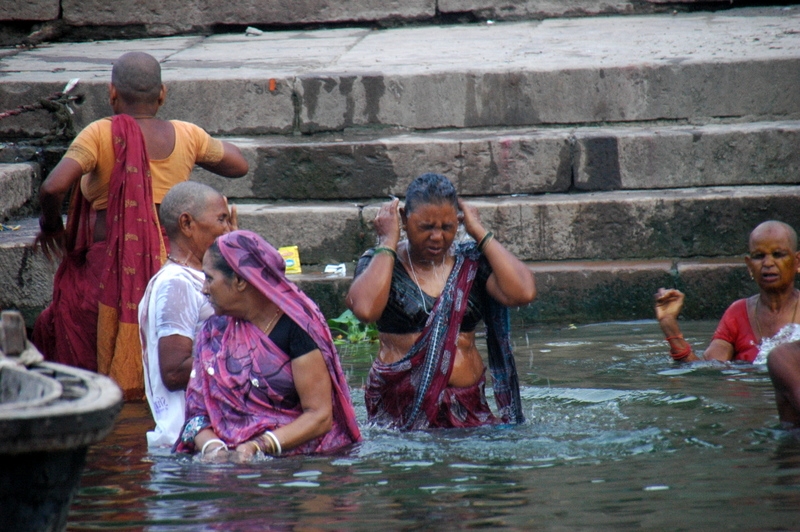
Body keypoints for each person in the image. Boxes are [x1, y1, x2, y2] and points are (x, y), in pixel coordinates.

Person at [32, 51, 249, 400]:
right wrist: (192, 152)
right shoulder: (186, 135)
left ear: (112, 94)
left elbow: (53, 187)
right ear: (162, 94)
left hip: (107, 276)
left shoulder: (100, 134)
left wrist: (52, 227)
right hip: (173, 261)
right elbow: (239, 165)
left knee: (59, 324)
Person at [345, 173, 536, 430]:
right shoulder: (382, 263)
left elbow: (523, 292)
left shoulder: (471, 265)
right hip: (401, 416)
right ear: (404, 219)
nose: (437, 237)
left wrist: (479, 231)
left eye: (447, 227)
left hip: (468, 410)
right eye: (426, 227)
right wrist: (387, 241)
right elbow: (365, 310)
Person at [175, 230, 361, 460]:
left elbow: (320, 417)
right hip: (229, 465)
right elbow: (197, 414)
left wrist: (258, 446)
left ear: (240, 281)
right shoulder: (214, 331)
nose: (204, 288)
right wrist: (213, 447)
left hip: (298, 465)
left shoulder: (298, 327)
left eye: (210, 278)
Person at [138, 182, 236, 448]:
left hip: (215, 437)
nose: (228, 229)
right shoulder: (176, 283)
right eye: (221, 219)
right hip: (189, 444)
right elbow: (174, 372)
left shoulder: (201, 277)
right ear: (187, 224)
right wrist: (245, 364)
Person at [654, 220, 800, 365]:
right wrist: (669, 324)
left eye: (778, 254)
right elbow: (707, 369)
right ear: (749, 266)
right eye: (759, 256)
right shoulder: (737, 314)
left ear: (797, 262)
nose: (768, 263)